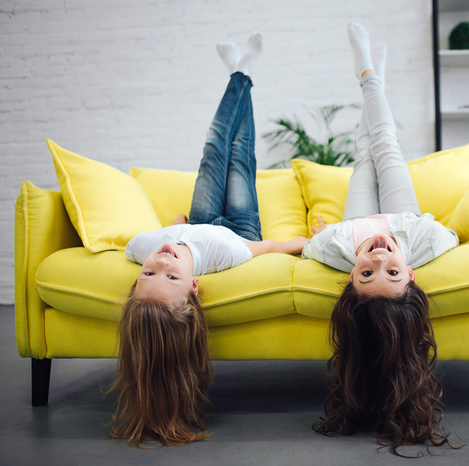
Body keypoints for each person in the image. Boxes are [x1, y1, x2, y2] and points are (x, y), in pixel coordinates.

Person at [108, 33, 308, 448]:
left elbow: (157, 242)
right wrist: (304, 243)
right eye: (172, 277)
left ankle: (239, 72)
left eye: (150, 271)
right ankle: (245, 72)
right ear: (195, 284)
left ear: (138, 271)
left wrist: (174, 225)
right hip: (236, 228)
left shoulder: (141, 246)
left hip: (199, 221)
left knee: (213, 146)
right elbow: (267, 248)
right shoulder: (226, 254)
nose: (162, 260)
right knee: (240, 151)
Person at [307, 24, 458, 456]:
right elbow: (447, 234)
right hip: (402, 214)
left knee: (361, 153)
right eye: (390, 271)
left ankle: (373, 75)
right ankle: (371, 75)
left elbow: (313, 247)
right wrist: (417, 227)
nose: (377, 257)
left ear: (350, 277)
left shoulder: (337, 251)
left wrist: (322, 237)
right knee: (386, 144)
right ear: (410, 273)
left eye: (366, 272)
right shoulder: (419, 244)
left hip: (353, 220)